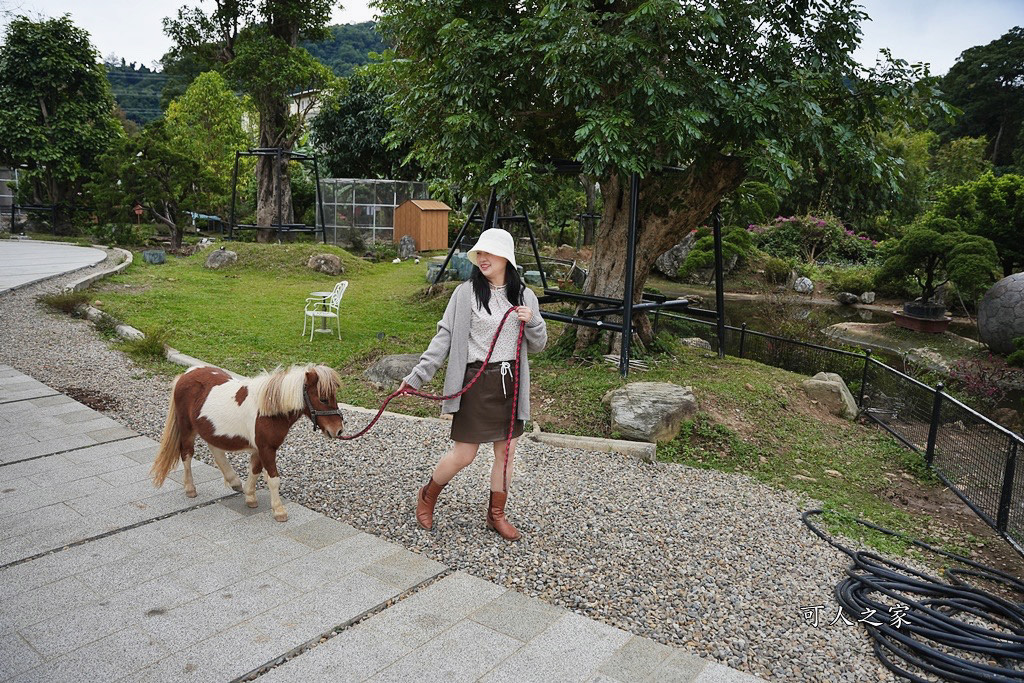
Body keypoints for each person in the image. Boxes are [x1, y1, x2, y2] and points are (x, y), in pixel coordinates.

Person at [399, 227, 547, 540]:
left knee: (506, 454)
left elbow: (538, 344)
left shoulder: (524, 295)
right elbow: (444, 338)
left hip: (510, 384)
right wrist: (416, 377)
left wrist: (532, 321)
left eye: (489, 252)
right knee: (464, 454)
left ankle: (496, 514)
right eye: (480, 252)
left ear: (505, 257)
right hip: (476, 383)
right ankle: (427, 495)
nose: (482, 258)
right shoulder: (465, 294)